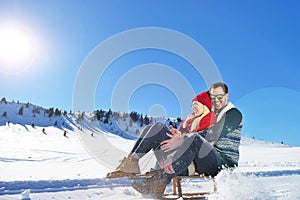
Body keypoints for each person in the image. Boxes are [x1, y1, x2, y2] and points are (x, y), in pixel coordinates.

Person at [131, 82, 243, 198]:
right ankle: (131, 163)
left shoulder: (234, 114)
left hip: (222, 162)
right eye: (213, 97)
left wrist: (183, 139)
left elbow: (213, 134)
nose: (216, 100)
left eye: (219, 96)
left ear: (227, 96)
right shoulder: (212, 116)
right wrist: (179, 137)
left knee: (193, 139)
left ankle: (158, 183)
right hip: (196, 158)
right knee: (158, 129)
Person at [106, 91, 216, 178]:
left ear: (205, 105)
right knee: (153, 128)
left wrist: (182, 138)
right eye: (192, 104)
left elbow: (203, 141)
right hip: (174, 157)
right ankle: (131, 162)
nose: (192, 107)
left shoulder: (211, 120)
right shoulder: (191, 121)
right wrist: (176, 135)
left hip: (186, 164)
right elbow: (181, 140)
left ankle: (132, 164)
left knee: (159, 128)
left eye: (196, 104)